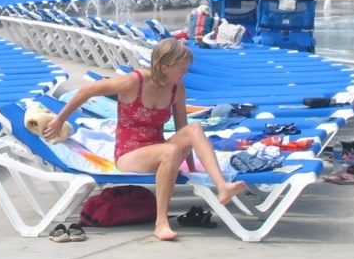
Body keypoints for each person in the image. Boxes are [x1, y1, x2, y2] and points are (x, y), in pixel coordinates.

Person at [43, 39, 246, 241]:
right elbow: (86, 90)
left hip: (156, 148)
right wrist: (60, 120)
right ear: (165, 66)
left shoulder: (177, 88)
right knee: (171, 151)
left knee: (195, 128)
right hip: (129, 154)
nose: (186, 73)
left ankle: (222, 187)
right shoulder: (134, 82)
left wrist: (191, 166)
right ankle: (161, 222)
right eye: (182, 68)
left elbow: (182, 128)